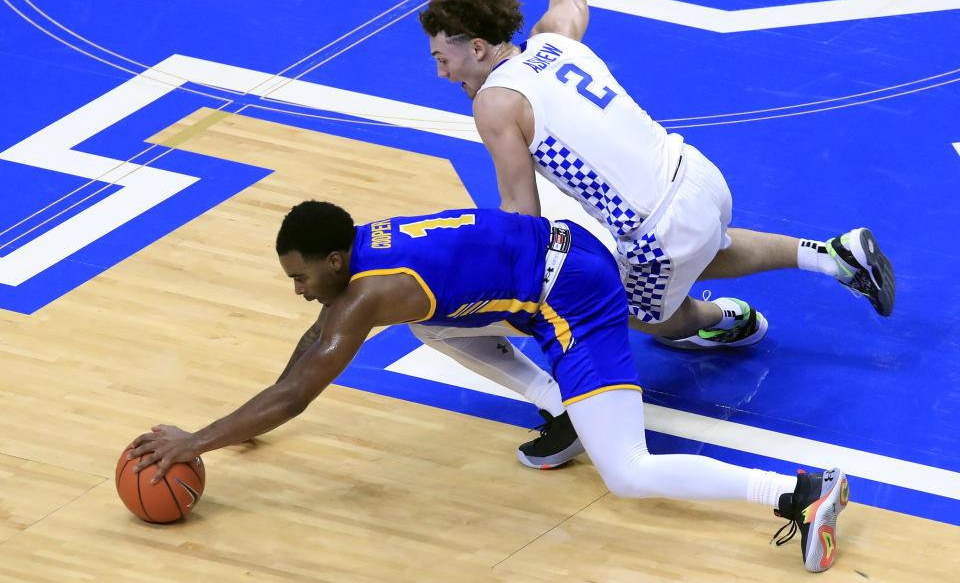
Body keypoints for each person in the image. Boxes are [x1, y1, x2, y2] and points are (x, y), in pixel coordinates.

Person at [128, 201, 849, 573]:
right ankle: (572, 402)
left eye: (302, 276)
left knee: (628, 474)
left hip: (573, 297)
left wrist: (198, 441)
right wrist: (240, 424)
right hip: (562, 248)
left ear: (336, 259)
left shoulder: (366, 296)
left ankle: (798, 493)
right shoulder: (365, 251)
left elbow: (300, 387)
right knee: (436, 325)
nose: (298, 289)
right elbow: (312, 347)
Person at [415, 0, 895, 468]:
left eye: (443, 58)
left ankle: (722, 319)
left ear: (479, 48)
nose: (441, 72)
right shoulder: (555, 37)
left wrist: (497, 288)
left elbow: (522, 217)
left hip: (655, 231)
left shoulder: (495, 102)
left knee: (631, 311)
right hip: (697, 175)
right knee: (710, 248)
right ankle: (832, 254)